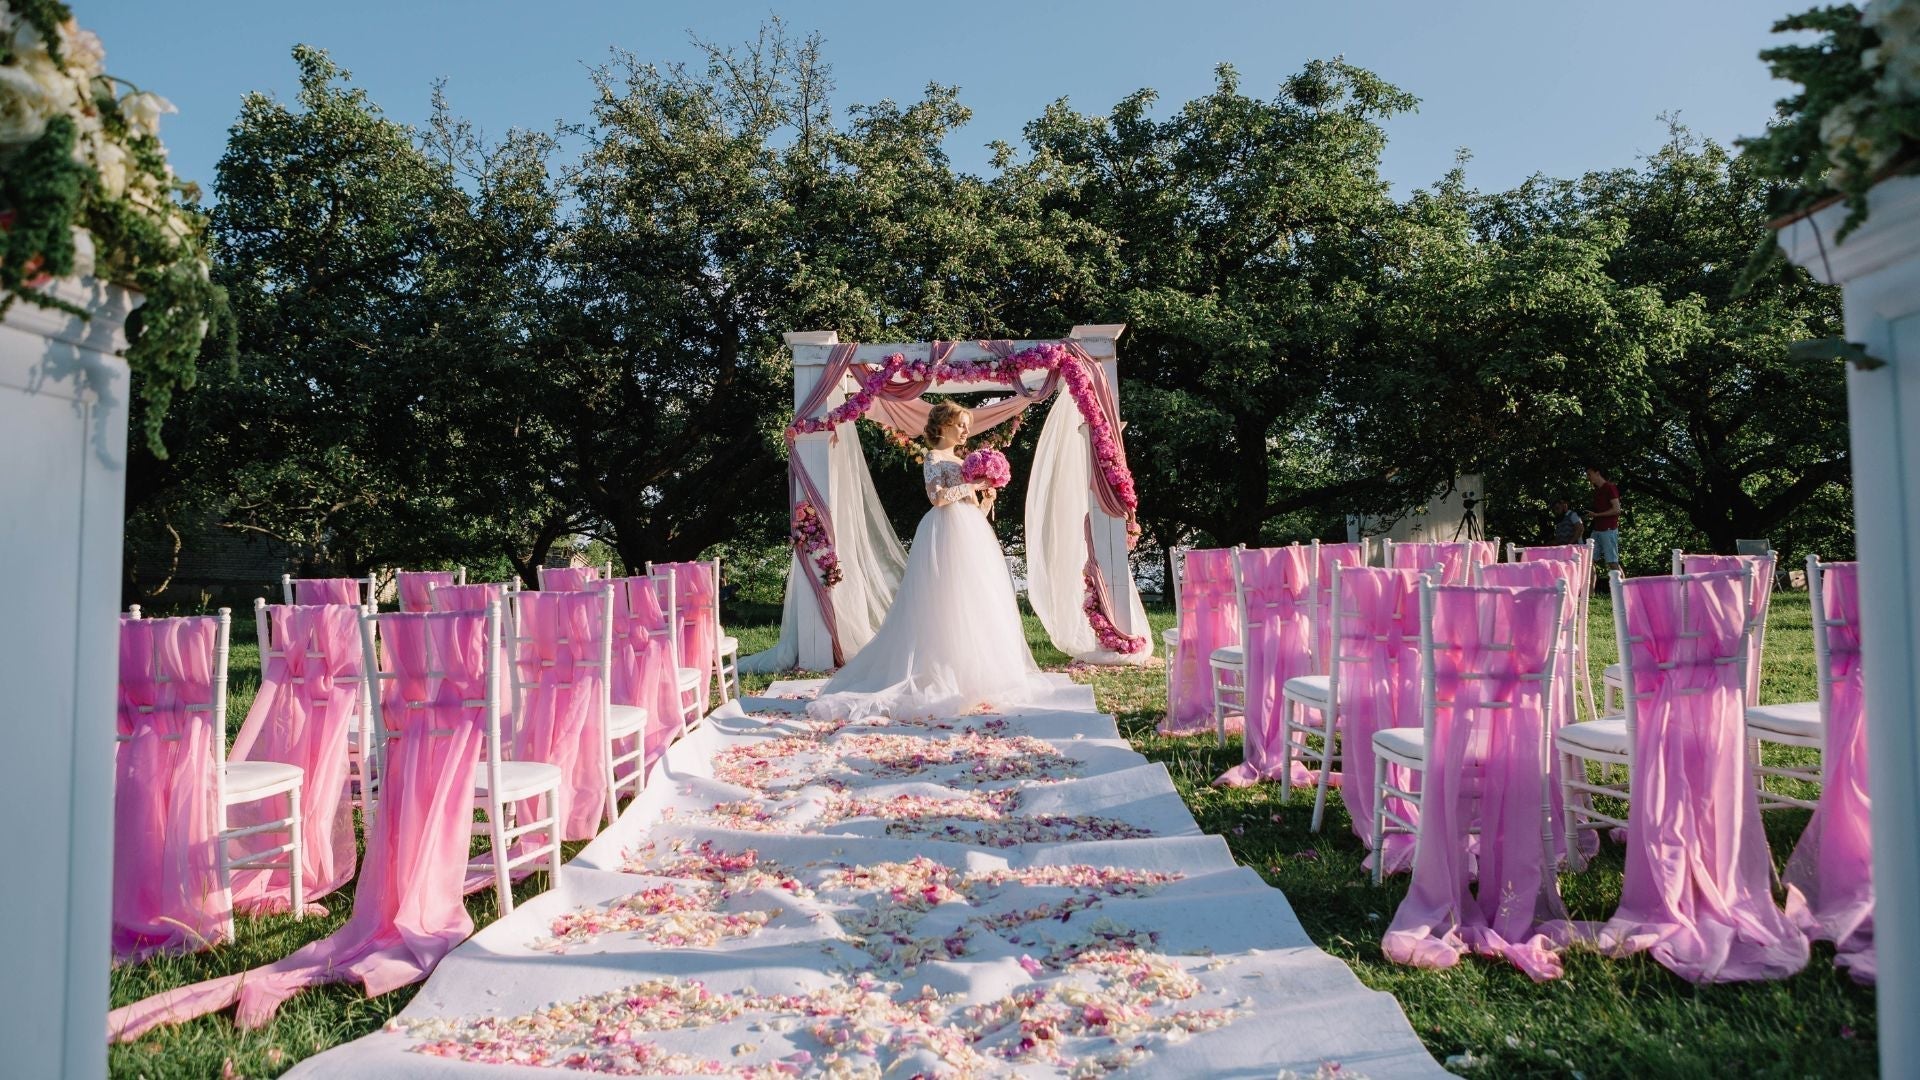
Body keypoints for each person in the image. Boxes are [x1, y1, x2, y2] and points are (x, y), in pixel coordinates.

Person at [808, 402, 1055, 721]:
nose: (966, 430)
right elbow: (938, 498)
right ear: (942, 426)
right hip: (941, 534)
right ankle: (935, 671)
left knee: (970, 604)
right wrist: (974, 485)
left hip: (970, 538)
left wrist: (986, 497)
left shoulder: (964, 461)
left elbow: (972, 510)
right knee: (941, 602)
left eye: (967, 425)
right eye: (961, 424)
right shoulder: (934, 457)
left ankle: (971, 673)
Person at [1583, 465, 1623, 576]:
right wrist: (1594, 515)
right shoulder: (1597, 491)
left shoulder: (1610, 487)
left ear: (1598, 473)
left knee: (1612, 563)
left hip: (1608, 530)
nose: (1588, 477)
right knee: (1589, 561)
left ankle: (1623, 591)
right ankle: (1589, 593)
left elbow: (1617, 509)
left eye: (1589, 474)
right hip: (1597, 530)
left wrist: (1597, 515)